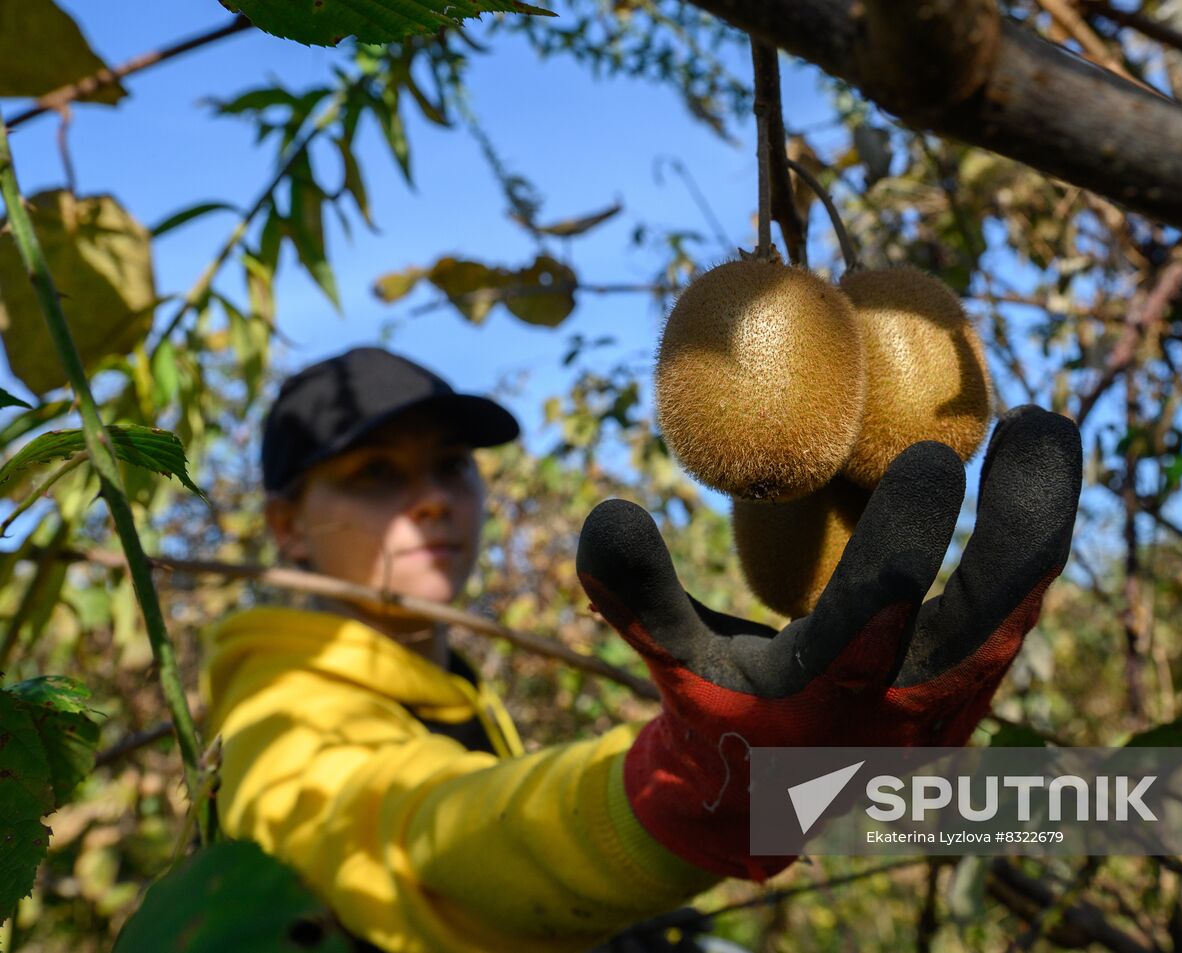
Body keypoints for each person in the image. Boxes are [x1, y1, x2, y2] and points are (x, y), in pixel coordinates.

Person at [200, 345, 1082, 953]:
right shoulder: (278, 707)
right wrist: (678, 791)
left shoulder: (449, 688)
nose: (432, 499)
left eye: (451, 464)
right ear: (285, 525)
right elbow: (411, 838)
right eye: (375, 474)